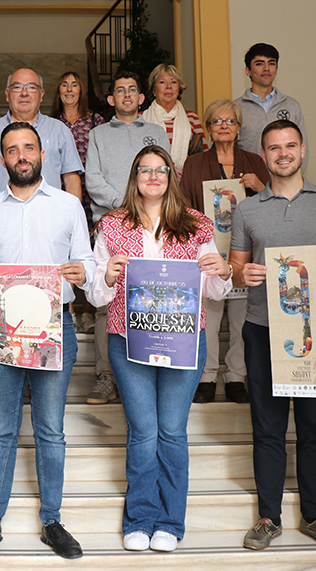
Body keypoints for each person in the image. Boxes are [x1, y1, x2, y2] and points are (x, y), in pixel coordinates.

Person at [87, 144, 232, 552]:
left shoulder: (196, 225)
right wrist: (109, 276)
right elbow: (97, 296)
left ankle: (170, 522)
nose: (153, 176)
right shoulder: (112, 225)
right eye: (145, 170)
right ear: (135, 177)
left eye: (161, 169)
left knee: (171, 431)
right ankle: (140, 518)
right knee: (143, 430)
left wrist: (223, 269)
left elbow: (215, 289)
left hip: (184, 342)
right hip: (127, 340)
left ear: (171, 176)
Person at [0, 122, 94, 560]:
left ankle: (52, 521)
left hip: (56, 329)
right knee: (2, 430)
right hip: (1, 331)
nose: (21, 155)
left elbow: (88, 264)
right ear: (1, 161)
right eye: (12, 149)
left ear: (42, 154)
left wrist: (83, 273)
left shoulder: (69, 205)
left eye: (29, 148)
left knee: (50, 432)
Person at [228, 120, 316, 551]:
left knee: (314, 430)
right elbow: (235, 265)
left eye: (290, 146)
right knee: (266, 428)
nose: (282, 153)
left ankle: (315, 516)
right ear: (263, 155)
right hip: (262, 330)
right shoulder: (247, 209)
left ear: (303, 149)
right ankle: (268, 518)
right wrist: (241, 272)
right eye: (273, 148)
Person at [84, 71, 170, 404]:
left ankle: (146, 370)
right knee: (108, 300)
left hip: (155, 224)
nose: (127, 95)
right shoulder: (98, 134)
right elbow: (93, 180)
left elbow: (165, 173)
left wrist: (146, 203)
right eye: (120, 91)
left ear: (142, 97)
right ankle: (106, 375)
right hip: (113, 223)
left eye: (133, 90)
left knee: (153, 298)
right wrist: (129, 205)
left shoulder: (156, 132)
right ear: (111, 99)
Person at [180, 99, 270, 404]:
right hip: (208, 250)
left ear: (239, 128)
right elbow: (182, 206)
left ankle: (235, 376)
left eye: (230, 121)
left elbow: (275, 202)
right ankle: (206, 376)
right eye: (217, 121)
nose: (224, 126)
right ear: (207, 128)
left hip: (247, 250)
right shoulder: (194, 164)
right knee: (209, 315)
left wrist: (261, 186)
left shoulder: (256, 163)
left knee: (241, 317)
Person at [0, 68, 83, 205]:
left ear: (41, 94)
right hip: (3, 215)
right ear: (7, 94)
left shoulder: (59, 130)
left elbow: (71, 178)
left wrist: (71, 214)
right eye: (17, 87)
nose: (24, 93)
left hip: (49, 215)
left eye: (31, 87)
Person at [50, 71, 104, 335]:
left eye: (74, 85)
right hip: (57, 194)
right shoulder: (51, 123)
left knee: (87, 251)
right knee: (63, 251)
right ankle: (67, 308)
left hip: (89, 194)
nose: (69, 89)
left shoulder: (95, 120)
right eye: (64, 84)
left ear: (82, 90)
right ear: (58, 91)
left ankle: (87, 310)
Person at [235, 43, 309, 170]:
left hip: (285, 184)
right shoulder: (236, 108)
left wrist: (292, 183)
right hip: (248, 185)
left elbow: (302, 150)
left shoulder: (292, 106)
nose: (266, 68)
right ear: (248, 71)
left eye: (271, 63)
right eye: (259, 64)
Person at [142, 64, 206, 170]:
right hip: (150, 178)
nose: (168, 86)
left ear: (179, 89)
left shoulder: (192, 118)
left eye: (173, 82)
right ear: (154, 90)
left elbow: (203, 155)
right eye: (162, 82)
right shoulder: (141, 118)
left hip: (185, 180)